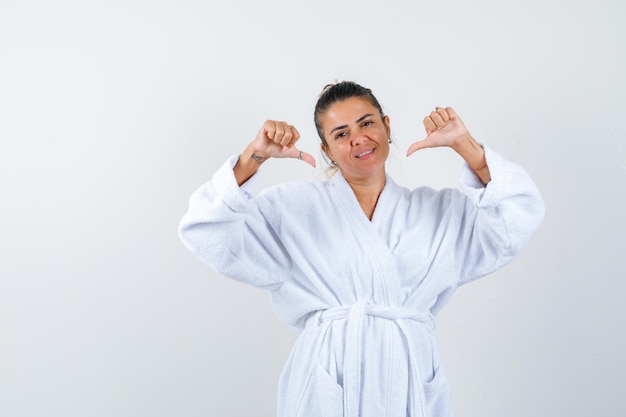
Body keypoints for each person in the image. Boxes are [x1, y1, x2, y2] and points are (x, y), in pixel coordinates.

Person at [178, 81, 544, 417]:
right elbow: (206, 231)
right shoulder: (292, 209)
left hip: (411, 380)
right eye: (341, 133)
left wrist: (466, 146)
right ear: (327, 150)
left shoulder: (440, 212)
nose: (358, 138)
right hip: (329, 378)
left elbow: (518, 216)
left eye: (367, 123)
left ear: (386, 125)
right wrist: (253, 156)